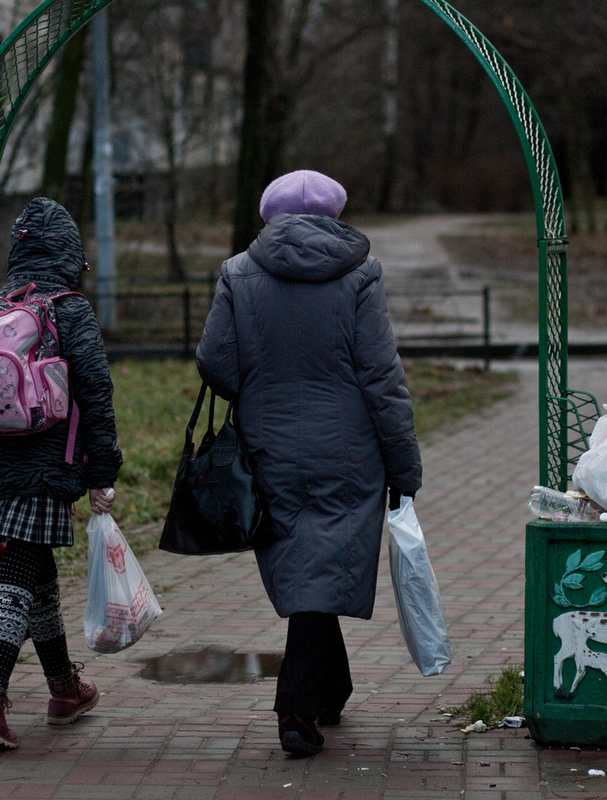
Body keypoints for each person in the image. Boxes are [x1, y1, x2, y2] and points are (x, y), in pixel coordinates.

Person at [196, 170, 422, 756]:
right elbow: (381, 376)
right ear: (336, 216)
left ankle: (331, 691)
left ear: (269, 217)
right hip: (348, 452)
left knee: (308, 566)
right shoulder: (359, 274)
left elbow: (215, 363)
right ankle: (296, 710)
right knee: (321, 568)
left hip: (267, 449)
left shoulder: (238, 273)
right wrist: (405, 464)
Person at [0, 197, 123, 750]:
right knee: (19, 574)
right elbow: (95, 393)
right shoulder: (69, 309)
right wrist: (104, 472)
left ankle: (65, 688)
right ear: (71, 254)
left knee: (34, 566)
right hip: (47, 465)